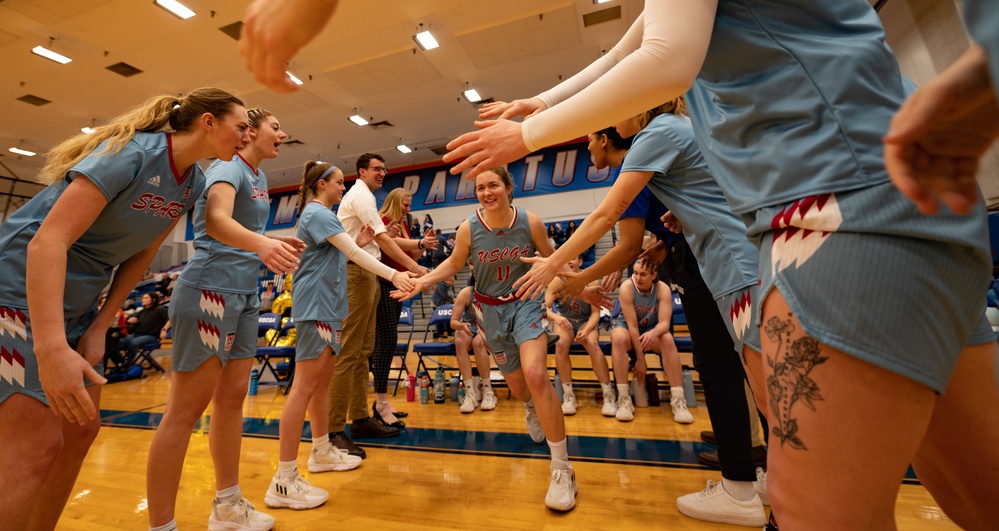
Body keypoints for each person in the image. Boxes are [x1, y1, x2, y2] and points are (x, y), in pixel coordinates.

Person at [452, 2, 999, 529]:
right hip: (898, 191)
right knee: (969, 482)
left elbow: (663, 57)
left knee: (808, 506)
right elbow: (629, 49)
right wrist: (541, 102)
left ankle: (744, 487)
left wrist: (526, 137)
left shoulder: (659, 131)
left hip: (832, 206)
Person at [0, 87, 245, 531]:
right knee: (34, 447)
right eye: (240, 126)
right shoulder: (132, 153)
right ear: (208, 122)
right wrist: (52, 347)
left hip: (77, 304)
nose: (245, 136)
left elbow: (142, 254)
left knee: (79, 433)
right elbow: (46, 242)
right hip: (16, 293)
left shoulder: (194, 182)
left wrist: (99, 324)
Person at [560, 124, 768, 524]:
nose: (586, 144)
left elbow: (620, 240)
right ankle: (762, 470)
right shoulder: (676, 143)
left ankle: (739, 485)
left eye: (589, 137)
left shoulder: (641, 157)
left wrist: (569, 272)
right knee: (743, 367)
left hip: (716, 264)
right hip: (720, 257)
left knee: (720, 367)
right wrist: (662, 246)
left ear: (607, 138)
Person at [146, 107, 304, 531]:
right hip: (209, 293)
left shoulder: (260, 177)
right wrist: (262, 244)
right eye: (276, 126)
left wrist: (267, 244)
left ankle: (228, 506)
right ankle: (161, 525)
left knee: (232, 399)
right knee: (183, 412)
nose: (283, 133)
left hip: (244, 295)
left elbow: (241, 230)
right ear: (250, 131)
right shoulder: (226, 168)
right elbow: (215, 222)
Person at [392, 167, 577, 511]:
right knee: (521, 388)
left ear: (508, 188)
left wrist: (583, 281)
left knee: (536, 374)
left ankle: (562, 468)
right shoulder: (468, 228)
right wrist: (423, 281)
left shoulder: (530, 221)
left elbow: (553, 260)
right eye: (480, 187)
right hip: (489, 313)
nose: (487, 192)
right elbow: (452, 264)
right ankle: (530, 409)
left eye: (493, 185)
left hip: (526, 303)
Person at [264, 161, 415, 510]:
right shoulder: (318, 213)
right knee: (304, 387)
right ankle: (284, 479)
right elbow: (353, 253)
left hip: (329, 307)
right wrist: (395, 275)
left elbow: (343, 249)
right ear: (321, 185)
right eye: (337, 183)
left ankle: (321, 451)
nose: (342, 189)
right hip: (316, 307)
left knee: (320, 383)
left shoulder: (323, 216)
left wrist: (359, 240)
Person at [327, 153, 427, 459]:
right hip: (354, 272)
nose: (381, 173)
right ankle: (333, 430)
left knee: (363, 350)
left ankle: (359, 418)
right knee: (349, 351)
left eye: (384, 169)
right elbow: (383, 240)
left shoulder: (365, 196)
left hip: (366, 272)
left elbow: (381, 241)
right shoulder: (360, 196)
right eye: (376, 169)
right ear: (362, 171)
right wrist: (416, 268)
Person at [372, 189, 436, 428]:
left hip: (398, 284)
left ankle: (383, 400)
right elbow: (391, 244)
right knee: (385, 340)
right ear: (394, 202)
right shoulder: (383, 220)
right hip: (383, 284)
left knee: (388, 341)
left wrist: (424, 245)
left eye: (409, 205)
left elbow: (410, 254)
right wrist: (418, 241)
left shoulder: (403, 224)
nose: (408, 209)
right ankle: (379, 401)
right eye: (405, 205)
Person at [610, 260, 692, 424]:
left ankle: (678, 400)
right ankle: (624, 399)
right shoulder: (627, 287)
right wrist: (641, 359)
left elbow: (664, 324)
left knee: (667, 339)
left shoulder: (663, 289)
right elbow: (632, 326)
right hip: (628, 328)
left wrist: (653, 333)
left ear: (654, 275)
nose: (638, 277)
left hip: (652, 328)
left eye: (643, 274)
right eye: (635, 273)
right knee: (617, 338)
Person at [544, 254, 614, 416]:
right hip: (566, 320)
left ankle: (608, 393)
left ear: (580, 262)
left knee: (592, 344)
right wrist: (557, 317)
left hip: (585, 320)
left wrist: (588, 329)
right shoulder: (556, 281)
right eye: (566, 258)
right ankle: (568, 395)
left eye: (573, 258)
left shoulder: (591, 280)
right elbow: (544, 308)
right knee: (560, 344)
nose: (569, 261)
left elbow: (596, 313)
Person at [450, 284, 498, 413]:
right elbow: (453, 322)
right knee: (459, 341)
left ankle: (488, 391)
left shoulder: (495, 290)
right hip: (469, 327)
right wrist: (461, 326)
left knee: (478, 343)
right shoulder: (466, 293)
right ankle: (470, 394)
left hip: (489, 326)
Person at [115, 291, 170, 368]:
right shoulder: (141, 312)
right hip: (136, 335)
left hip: (152, 336)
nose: (143, 300)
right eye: (143, 298)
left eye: (146, 298)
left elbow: (170, 319)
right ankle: (121, 363)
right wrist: (130, 322)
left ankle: (128, 365)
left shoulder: (160, 310)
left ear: (153, 299)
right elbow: (131, 327)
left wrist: (164, 330)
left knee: (134, 342)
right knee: (113, 344)